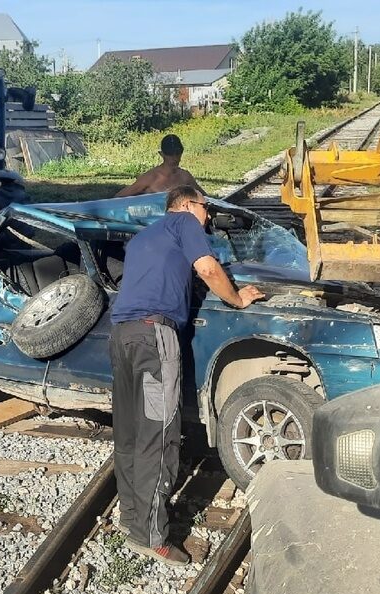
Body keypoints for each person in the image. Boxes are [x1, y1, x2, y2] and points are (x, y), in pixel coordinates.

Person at [109, 185, 264, 565]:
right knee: (159, 434)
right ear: (185, 204)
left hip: (122, 337)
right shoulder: (184, 223)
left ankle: (132, 520)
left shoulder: (146, 236)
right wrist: (238, 298)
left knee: (129, 434)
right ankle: (152, 536)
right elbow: (208, 268)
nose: (208, 216)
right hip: (154, 338)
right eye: (205, 208)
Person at [115, 134, 206, 197]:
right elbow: (119, 197)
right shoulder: (151, 177)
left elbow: (206, 198)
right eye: (170, 154)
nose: (175, 158)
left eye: (178, 153)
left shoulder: (185, 177)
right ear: (161, 154)